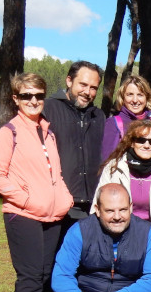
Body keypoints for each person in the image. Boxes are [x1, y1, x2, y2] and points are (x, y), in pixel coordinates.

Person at [0, 73, 73, 292]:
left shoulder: (48, 132)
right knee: (29, 276)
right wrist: (27, 200)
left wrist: (64, 198)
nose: (33, 100)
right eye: (26, 95)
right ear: (16, 99)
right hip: (22, 214)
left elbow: (55, 174)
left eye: (39, 95)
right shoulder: (9, 132)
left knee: (45, 275)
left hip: (52, 216)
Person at [94, 119, 151, 253]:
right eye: (141, 140)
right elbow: (99, 206)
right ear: (132, 142)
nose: (146, 145)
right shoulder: (114, 168)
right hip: (117, 238)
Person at [42, 60, 106, 221]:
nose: (87, 92)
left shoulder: (99, 116)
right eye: (83, 85)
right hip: (56, 204)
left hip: (90, 206)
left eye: (93, 88)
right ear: (69, 81)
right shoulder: (47, 109)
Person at [101, 75, 151, 158]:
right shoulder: (113, 123)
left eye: (140, 95)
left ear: (147, 97)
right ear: (122, 97)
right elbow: (107, 159)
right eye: (130, 94)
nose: (135, 100)